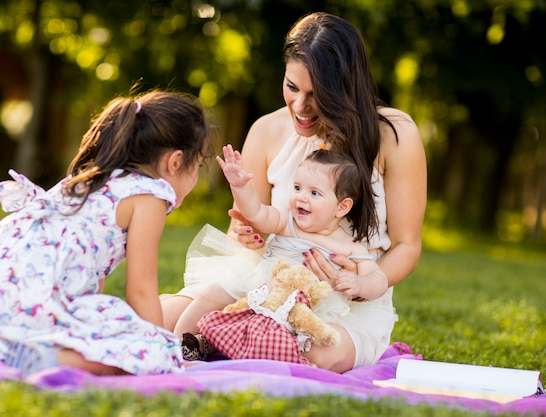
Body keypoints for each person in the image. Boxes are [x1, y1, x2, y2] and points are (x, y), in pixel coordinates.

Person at [161, 12, 427, 373]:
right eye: (291, 87)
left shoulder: (394, 134)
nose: (300, 108)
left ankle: (230, 347)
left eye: (317, 96)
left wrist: (361, 284)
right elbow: (245, 230)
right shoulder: (266, 131)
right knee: (162, 318)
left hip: (348, 304)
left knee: (319, 353)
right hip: (263, 283)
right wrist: (246, 236)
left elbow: (407, 245)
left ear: (346, 89)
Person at [0, 89, 214, 376]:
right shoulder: (149, 196)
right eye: (199, 163)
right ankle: (49, 359)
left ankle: (11, 347)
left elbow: (93, 284)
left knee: (111, 323)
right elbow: (141, 291)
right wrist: (161, 352)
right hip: (17, 316)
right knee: (141, 355)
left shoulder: (91, 181)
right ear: (176, 162)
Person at [179, 145, 390, 362]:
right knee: (213, 294)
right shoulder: (287, 221)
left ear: (342, 207)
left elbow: (378, 278)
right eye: (297, 188)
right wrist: (240, 186)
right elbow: (256, 212)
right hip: (261, 287)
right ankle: (176, 342)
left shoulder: (350, 246)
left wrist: (360, 283)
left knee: (308, 340)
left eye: (314, 193)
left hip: (305, 307)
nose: (301, 197)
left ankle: (219, 346)